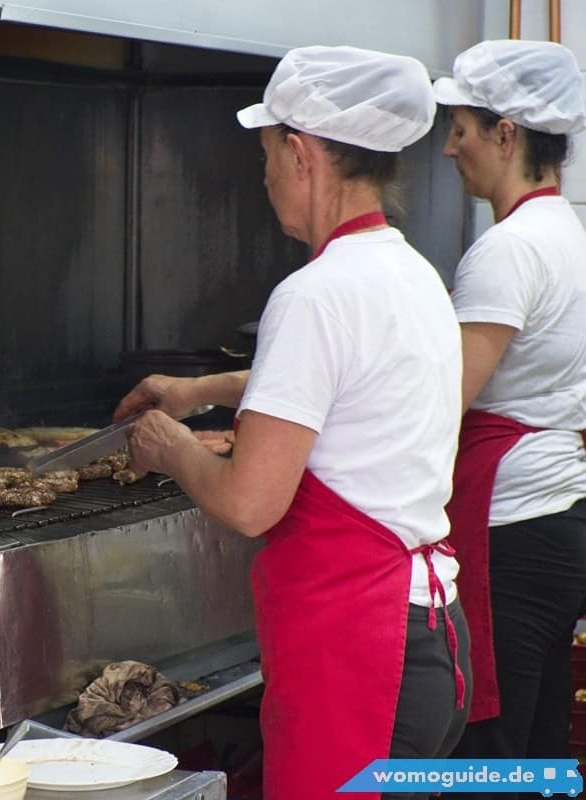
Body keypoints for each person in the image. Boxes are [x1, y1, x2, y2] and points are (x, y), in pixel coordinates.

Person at [115, 46, 470, 799]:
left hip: (361, 653)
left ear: (302, 153)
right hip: (428, 638)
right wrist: (200, 388)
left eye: (268, 150)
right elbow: (343, 381)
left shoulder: (315, 294)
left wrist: (170, 448)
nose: (264, 171)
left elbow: (250, 502)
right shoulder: (410, 272)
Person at [434, 39, 586, 775]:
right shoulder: (566, 231)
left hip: (510, 532)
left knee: (486, 759)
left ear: (506, 132)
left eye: (460, 127)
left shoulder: (508, 250)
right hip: (557, 517)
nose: (448, 148)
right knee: (536, 753)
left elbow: (441, 402)